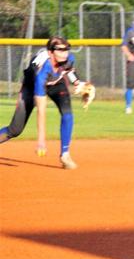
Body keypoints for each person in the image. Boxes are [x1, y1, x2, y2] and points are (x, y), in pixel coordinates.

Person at [0, 36, 83, 169]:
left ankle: (65, 154)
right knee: (15, 130)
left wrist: (78, 83)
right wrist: (41, 141)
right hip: (31, 87)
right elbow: (41, 110)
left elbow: (69, 70)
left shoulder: (69, 58)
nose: (65, 53)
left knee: (67, 114)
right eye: (60, 50)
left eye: (67, 49)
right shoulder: (41, 73)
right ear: (50, 52)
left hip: (56, 83)